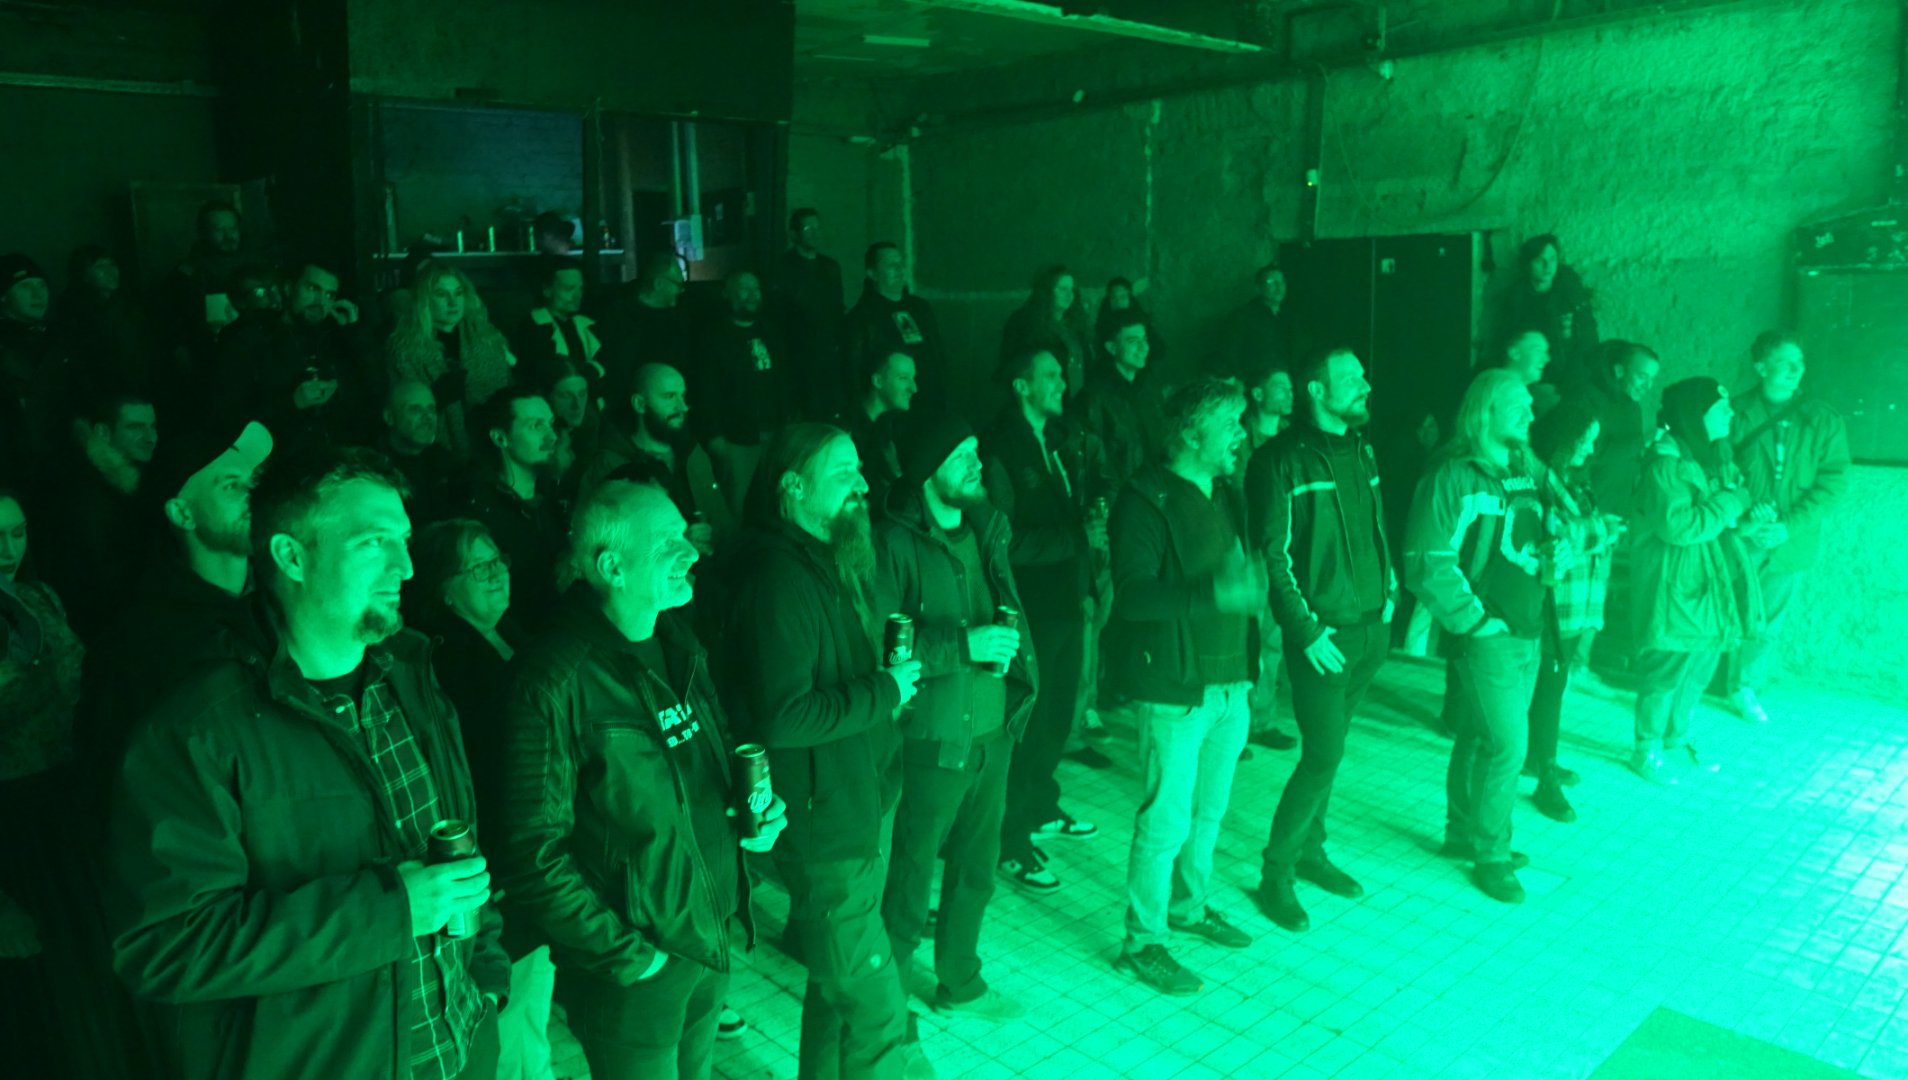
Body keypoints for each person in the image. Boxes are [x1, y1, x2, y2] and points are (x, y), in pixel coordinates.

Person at [106, 446, 510, 1080]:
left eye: (403, 540)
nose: (405, 566)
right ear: (291, 557)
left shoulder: (412, 673)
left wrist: (486, 979)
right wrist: (391, 909)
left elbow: (456, 847)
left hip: (461, 1046)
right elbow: (167, 946)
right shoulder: (196, 731)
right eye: (373, 543)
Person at [494, 480, 788, 1080]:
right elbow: (531, 854)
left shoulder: (678, 639)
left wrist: (756, 810)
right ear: (612, 567)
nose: (691, 552)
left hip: (707, 932)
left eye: (685, 536)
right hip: (636, 968)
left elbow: (715, 756)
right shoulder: (553, 678)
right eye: (666, 543)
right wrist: (630, 957)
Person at [722, 424, 926, 1080]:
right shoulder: (778, 576)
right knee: (879, 1020)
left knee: (835, 989)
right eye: (842, 473)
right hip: (825, 826)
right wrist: (885, 689)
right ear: (792, 487)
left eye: (859, 469)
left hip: (853, 802)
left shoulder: (823, 555)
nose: (861, 484)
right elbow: (782, 717)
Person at [876, 413, 1035, 1025]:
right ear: (927, 470)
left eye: (975, 450)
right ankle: (887, 1011)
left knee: (976, 869)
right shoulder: (892, 544)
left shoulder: (986, 529)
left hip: (992, 733)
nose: (977, 463)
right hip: (930, 740)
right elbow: (879, 647)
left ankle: (960, 980)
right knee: (908, 881)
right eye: (961, 454)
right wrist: (964, 645)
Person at [1108, 377, 1263, 997]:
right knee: (1165, 820)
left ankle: (1188, 907)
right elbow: (1132, 596)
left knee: (1208, 811)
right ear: (1193, 433)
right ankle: (1141, 944)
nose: (1241, 435)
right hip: (1174, 689)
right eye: (1230, 425)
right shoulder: (1144, 501)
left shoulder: (1226, 493)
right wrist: (1212, 593)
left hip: (1230, 684)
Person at [1245, 348, 1396, 932]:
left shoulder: (1362, 447)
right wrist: (1305, 630)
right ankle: (1276, 874)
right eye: (1350, 378)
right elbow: (1273, 556)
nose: (1365, 384)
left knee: (1332, 747)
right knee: (1323, 754)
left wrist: (1390, 591)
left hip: (1370, 629)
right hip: (1324, 637)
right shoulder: (1278, 460)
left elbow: (1376, 525)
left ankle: (1311, 851)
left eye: (1363, 374)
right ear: (1315, 389)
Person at [1406, 369, 1549, 904]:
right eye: (1519, 406)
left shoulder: (1522, 467)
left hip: (1527, 627)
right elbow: (1425, 561)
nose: (1531, 414)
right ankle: (1492, 855)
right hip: (1488, 634)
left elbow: (1538, 532)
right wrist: (1475, 621)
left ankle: (1461, 832)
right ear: (1485, 410)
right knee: (1510, 745)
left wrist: (1557, 550)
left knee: (1477, 734)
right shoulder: (1452, 476)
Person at [77, 421, 274, 786]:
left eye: (254, 482)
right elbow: (115, 778)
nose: (253, 496)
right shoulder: (137, 646)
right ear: (183, 513)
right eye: (231, 485)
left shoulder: (288, 606)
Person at [981, 345, 1105, 895]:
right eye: (1050, 374)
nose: (1062, 382)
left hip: (1065, 601)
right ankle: (1008, 840)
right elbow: (1002, 543)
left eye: (1062, 373)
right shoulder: (1000, 449)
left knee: (1057, 717)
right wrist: (1076, 537)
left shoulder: (1057, 440)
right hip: (1030, 609)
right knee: (1027, 725)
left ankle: (1040, 806)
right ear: (1021, 385)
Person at [1630, 377, 1764, 782]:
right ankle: (1646, 750)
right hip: (1673, 588)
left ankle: (1676, 739)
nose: (1730, 413)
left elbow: (1715, 524)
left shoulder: (1706, 456)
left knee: (1699, 665)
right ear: (1694, 415)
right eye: (1720, 409)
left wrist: (1746, 518)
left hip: (1705, 585)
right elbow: (1681, 527)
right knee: (1666, 670)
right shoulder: (1665, 465)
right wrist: (1732, 501)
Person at [0, 483, 91, 1077]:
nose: (6, 548)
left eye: (16, 532)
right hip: (14, 829)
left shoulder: (41, 597)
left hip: (76, 809)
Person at [1724, 331, 1850, 724]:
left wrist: (1787, 526)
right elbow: (1717, 470)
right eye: (1784, 362)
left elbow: (1833, 484)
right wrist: (1746, 516)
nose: (1796, 369)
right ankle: (1700, 683)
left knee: (1768, 619)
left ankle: (1745, 687)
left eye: (1800, 362)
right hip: (1740, 535)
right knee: (1722, 607)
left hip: (1788, 540)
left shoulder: (1823, 419)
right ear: (1761, 367)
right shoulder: (1732, 412)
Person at [1524, 399, 1613, 824]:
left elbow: (1578, 531)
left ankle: (1540, 758)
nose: (1590, 449)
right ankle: (1545, 777)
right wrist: (1603, 529)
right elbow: (1561, 534)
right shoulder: (1539, 480)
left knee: (1553, 688)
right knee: (1547, 689)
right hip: (1554, 607)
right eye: (1584, 440)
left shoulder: (1571, 479)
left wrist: (1593, 530)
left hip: (1576, 605)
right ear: (1564, 438)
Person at [34, 390, 160, 638]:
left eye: (153, 426)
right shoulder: (86, 492)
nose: (150, 437)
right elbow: (99, 578)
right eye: (135, 427)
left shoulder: (122, 481)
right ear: (103, 432)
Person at [210, 262, 369, 452]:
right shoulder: (250, 340)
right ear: (289, 288)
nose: (320, 301)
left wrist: (353, 333)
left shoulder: (333, 337)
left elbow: (372, 393)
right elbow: (227, 419)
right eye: (312, 288)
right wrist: (292, 403)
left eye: (329, 295)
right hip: (275, 460)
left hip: (334, 456)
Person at [580, 363, 731, 552]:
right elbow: (597, 539)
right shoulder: (610, 464)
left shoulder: (693, 454)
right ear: (639, 404)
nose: (683, 406)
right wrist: (676, 542)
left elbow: (723, 522)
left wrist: (713, 535)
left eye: (683, 396)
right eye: (669, 396)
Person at [452, 389, 567, 630]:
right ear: (500, 438)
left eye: (550, 423)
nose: (552, 435)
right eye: (536, 425)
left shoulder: (555, 497)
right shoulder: (477, 512)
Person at [386, 262, 516, 458]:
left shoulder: (488, 338)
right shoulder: (405, 349)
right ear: (425, 300)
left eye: (458, 293)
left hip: (492, 443)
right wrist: (438, 395)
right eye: (441, 294)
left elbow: (508, 390)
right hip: (434, 452)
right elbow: (402, 408)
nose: (453, 302)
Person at [1239, 360, 1300, 756]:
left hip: (1278, 552)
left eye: (1291, 387)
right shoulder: (1237, 436)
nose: (1289, 393)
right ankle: (1235, 726)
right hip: (1245, 550)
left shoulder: (1293, 440)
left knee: (1273, 640)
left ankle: (1261, 720)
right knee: (1242, 640)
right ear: (1258, 393)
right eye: (1280, 387)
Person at [697, 270, 789, 505]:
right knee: (741, 503)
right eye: (744, 289)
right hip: (736, 439)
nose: (752, 295)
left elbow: (786, 380)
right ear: (727, 294)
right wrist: (714, 435)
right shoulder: (714, 337)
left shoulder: (772, 331)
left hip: (775, 436)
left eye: (756, 289)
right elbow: (706, 390)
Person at [843, 243, 946, 409]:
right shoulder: (861, 318)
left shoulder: (921, 308)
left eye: (901, 263)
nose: (899, 269)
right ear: (872, 273)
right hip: (891, 411)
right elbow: (853, 372)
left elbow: (938, 354)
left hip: (930, 403)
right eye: (891, 265)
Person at [1494, 234, 1599, 395]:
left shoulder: (1571, 296)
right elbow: (1508, 342)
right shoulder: (1517, 299)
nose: (1547, 266)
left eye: (1552, 259)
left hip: (1569, 378)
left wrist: (1567, 386)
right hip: (1531, 379)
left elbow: (1588, 341)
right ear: (1527, 264)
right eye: (1539, 260)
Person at [1078, 307, 1166, 492]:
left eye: (1145, 339)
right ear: (1111, 347)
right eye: (1133, 341)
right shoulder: (1094, 396)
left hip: (1156, 488)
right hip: (1125, 496)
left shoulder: (1148, 387)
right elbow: (1095, 462)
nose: (1144, 347)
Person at [780, 208, 847, 420]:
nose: (815, 233)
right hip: (796, 355)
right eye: (809, 228)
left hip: (828, 353)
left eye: (818, 228)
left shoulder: (830, 267)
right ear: (794, 234)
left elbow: (837, 307)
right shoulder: (783, 267)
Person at [52, 244, 147, 392]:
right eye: (100, 266)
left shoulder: (128, 302)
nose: (110, 271)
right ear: (83, 275)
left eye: (112, 264)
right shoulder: (75, 312)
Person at [597, 250, 689, 394]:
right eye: (678, 284)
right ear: (658, 283)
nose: (681, 290)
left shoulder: (680, 318)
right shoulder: (616, 317)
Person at [837, 348, 917, 509]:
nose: (913, 388)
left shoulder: (901, 431)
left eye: (913, 378)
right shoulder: (842, 433)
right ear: (878, 381)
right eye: (903, 378)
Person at [999, 265, 1094, 400]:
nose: (1069, 295)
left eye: (1072, 289)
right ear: (1047, 291)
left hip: (1076, 402)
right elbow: (1012, 366)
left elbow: (1086, 364)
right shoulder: (1023, 322)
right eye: (1063, 289)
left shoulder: (1076, 325)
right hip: (1042, 401)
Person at [510, 258, 605, 384]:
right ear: (547, 290)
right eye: (569, 288)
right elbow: (551, 372)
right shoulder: (532, 327)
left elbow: (608, 362)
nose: (578, 296)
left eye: (580, 289)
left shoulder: (587, 324)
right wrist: (591, 369)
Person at [378, 379, 457, 517]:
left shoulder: (448, 464)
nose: (428, 417)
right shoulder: (375, 470)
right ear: (389, 417)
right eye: (415, 409)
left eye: (431, 409)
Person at [526, 357, 599, 502]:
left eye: (582, 394)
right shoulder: (529, 431)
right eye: (566, 395)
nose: (577, 405)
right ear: (544, 396)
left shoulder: (591, 423)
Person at [1213, 264, 1294, 383]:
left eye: (1282, 282)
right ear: (1258, 288)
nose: (1278, 287)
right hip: (1255, 383)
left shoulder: (1289, 317)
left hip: (1285, 382)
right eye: (1271, 282)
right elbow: (1229, 355)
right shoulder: (1242, 316)